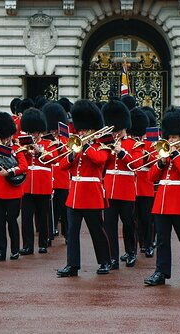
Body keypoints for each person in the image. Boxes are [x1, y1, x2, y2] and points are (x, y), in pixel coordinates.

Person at [144, 107, 180, 286]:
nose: (171, 140)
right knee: (161, 239)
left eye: (174, 137)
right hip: (162, 201)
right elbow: (150, 177)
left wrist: (175, 155)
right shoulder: (163, 154)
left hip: (179, 201)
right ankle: (161, 272)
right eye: (169, 137)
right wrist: (161, 163)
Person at [57, 100, 112, 277]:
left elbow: (100, 160)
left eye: (85, 130)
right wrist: (73, 154)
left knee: (97, 230)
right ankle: (72, 265)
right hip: (75, 194)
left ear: (93, 129)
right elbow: (62, 166)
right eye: (80, 130)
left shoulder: (101, 146)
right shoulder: (76, 146)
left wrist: (86, 146)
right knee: (72, 232)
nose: (81, 133)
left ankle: (105, 261)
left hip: (92, 193)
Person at [102, 99, 141, 269]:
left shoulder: (134, 144)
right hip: (110, 189)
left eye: (118, 129)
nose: (116, 132)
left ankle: (131, 252)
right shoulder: (106, 144)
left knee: (128, 223)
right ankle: (112, 258)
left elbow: (137, 165)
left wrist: (122, 152)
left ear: (125, 127)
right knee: (109, 225)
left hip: (126, 189)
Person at [0, 112, 28, 262]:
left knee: (12, 221)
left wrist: (10, 171)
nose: (5, 140)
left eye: (6, 136)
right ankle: (0, 251)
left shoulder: (17, 148)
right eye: (2, 137)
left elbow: (24, 167)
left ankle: (15, 249)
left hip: (13, 191)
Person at [20, 108, 53, 255]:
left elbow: (53, 159)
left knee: (42, 217)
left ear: (40, 131)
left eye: (34, 132)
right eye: (30, 132)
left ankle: (43, 243)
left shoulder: (48, 144)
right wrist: (25, 151)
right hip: (27, 186)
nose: (32, 134)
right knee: (26, 218)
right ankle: (27, 245)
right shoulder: (23, 144)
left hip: (42, 185)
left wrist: (40, 152)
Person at [42, 102, 69, 243]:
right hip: (50, 177)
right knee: (50, 210)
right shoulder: (45, 140)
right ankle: (49, 234)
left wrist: (60, 146)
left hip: (62, 177)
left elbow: (69, 154)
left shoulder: (65, 138)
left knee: (64, 209)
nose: (53, 131)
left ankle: (67, 234)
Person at [131, 107, 155, 258]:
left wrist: (146, 157)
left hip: (146, 183)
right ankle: (139, 243)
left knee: (147, 218)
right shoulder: (131, 142)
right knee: (135, 218)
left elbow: (156, 159)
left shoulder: (152, 142)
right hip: (133, 184)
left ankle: (149, 243)